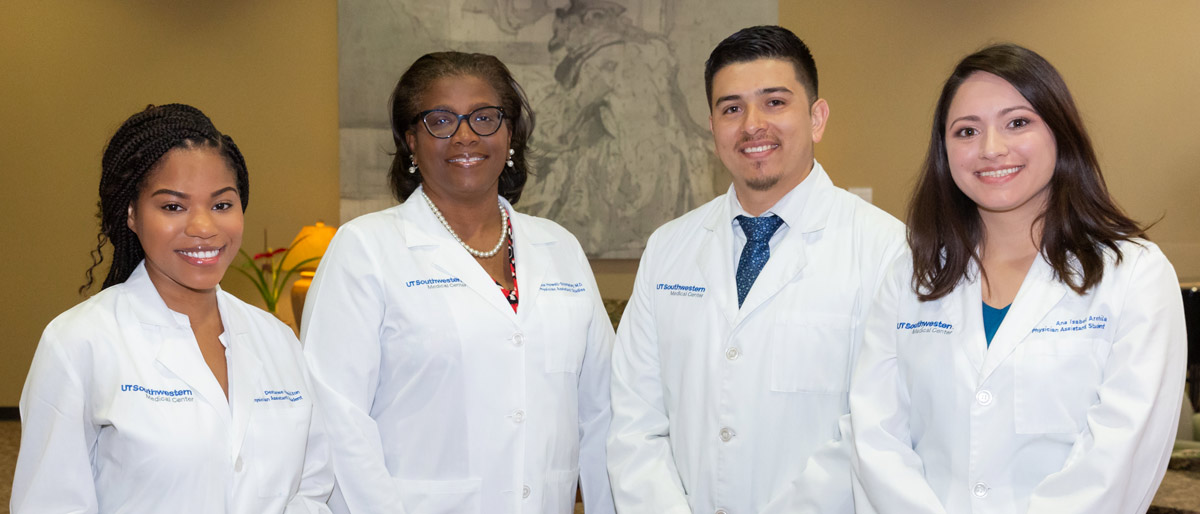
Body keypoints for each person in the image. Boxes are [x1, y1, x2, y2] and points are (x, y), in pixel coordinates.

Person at [849, 44, 1186, 513]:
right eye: (967, 131)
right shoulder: (910, 274)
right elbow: (875, 435)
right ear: (945, 152)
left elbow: (1119, 459)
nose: (991, 149)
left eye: (1017, 122)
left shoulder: (1134, 275)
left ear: (1060, 132)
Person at [606, 25, 905, 514]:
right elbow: (635, 421)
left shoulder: (887, 250)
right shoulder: (668, 248)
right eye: (731, 108)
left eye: (774, 102)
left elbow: (874, 428)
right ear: (712, 127)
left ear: (817, 117)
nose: (751, 126)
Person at [301, 52, 615, 514]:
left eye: (485, 118)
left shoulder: (559, 248)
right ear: (410, 140)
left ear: (511, 135)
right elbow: (338, 421)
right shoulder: (365, 249)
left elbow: (603, 412)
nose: (465, 135)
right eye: (441, 120)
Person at [11, 104, 333, 514]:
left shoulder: (277, 340)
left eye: (221, 205)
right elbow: (49, 503)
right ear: (130, 213)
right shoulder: (79, 342)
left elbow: (313, 486)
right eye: (173, 206)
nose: (203, 227)